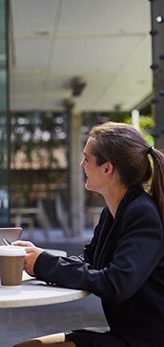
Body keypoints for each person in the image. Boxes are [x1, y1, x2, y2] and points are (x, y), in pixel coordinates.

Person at [13, 122, 164, 347]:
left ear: (107, 168)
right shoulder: (112, 212)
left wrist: (43, 264)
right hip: (124, 334)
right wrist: (40, 257)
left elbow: (116, 283)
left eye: (86, 158)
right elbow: (89, 262)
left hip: (144, 340)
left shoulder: (142, 213)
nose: (81, 164)